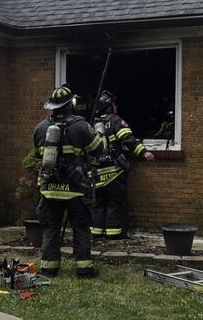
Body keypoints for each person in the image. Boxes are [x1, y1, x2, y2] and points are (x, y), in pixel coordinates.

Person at [33, 84, 104, 278]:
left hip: (49, 189)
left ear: (53, 107)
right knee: (81, 228)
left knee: (50, 228)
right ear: (69, 105)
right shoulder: (80, 126)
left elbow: (39, 155)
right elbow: (99, 150)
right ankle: (84, 269)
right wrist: (96, 132)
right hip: (75, 189)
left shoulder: (41, 128)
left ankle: (48, 268)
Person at [90, 90, 154, 240]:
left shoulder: (92, 124)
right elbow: (128, 139)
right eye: (114, 104)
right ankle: (114, 233)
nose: (116, 106)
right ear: (108, 106)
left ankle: (96, 233)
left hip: (96, 172)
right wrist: (144, 152)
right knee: (114, 202)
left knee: (98, 203)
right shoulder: (116, 120)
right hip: (113, 171)